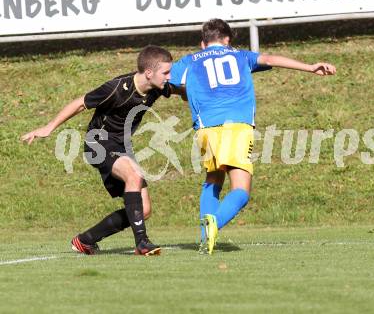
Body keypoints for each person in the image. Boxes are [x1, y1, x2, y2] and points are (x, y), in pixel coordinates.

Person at [169, 19, 336, 254]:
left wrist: (187, 93)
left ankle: (204, 237)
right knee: (241, 190)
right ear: (227, 41)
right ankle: (214, 224)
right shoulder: (240, 56)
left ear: (203, 43)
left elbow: (171, 81)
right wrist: (310, 67)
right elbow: (269, 59)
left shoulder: (189, 60)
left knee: (213, 179)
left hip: (206, 128)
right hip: (236, 126)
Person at [21, 45, 187, 256]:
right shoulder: (117, 88)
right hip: (98, 142)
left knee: (143, 210)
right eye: (165, 72)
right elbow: (80, 103)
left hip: (121, 146)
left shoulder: (158, 87)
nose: (168, 76)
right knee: (134, 175)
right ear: (148, 73)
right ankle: (142, 243)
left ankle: (85, 240)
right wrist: (48, 128)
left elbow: (179, 91)